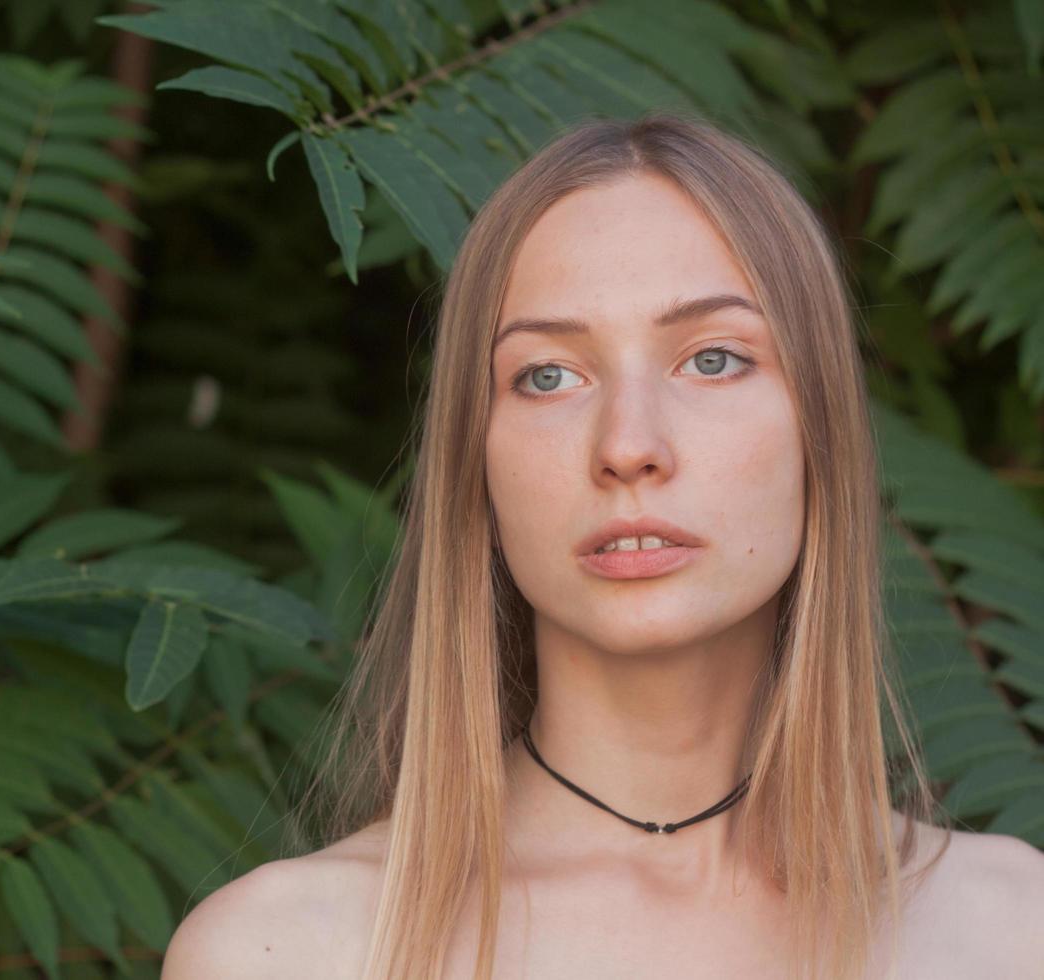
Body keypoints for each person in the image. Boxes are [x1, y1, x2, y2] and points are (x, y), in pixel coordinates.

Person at [161, 111, 1044, 980]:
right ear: (478, 461)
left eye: (712, 359)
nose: (627, 445)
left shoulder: (1011, 931)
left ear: (821, 433)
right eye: (548, 376)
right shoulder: (284, 953)